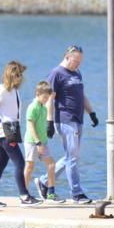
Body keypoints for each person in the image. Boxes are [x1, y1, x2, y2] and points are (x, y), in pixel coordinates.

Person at [0, 61, 43, 208]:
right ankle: (24, 196)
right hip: (4, 133)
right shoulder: (1, 90)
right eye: (18, 75)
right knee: (20, 163)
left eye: (21, 75)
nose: (21, 78)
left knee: (0, 164)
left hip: (12, 131)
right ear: (11, 75)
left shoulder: (14, 90)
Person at [42, 45, 99, 204]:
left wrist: (91, 112)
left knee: (71, 157)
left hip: (78, 118)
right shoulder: (56, 74)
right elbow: (49, 99)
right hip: (65, 119)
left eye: (80, 61)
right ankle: (77, 193)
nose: (78, 64)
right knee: (73, 158)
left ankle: (44, 181)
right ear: (67, 57)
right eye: (76, 61)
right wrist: (49, 121)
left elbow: (82, 95)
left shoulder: (77, 72)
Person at [24, 81, 63, 203]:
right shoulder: (32, 107)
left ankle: (50, 194)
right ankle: (24, 194)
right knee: (30, 167)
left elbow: (43, 122)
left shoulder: (43, 107)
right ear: (37, 94)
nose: (46, 100)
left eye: (48, 97)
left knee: (51, 165)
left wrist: (48, 130)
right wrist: (38, 142)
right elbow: (31, 126)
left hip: (43, 142)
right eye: (44, 97)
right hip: (32, 142)